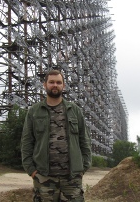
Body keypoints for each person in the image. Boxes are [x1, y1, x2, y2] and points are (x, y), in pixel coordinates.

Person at [21, 69, 92, 201]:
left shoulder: (74, 110)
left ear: (63, 86)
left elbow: (84, 140)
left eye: (58, 82)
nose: (55, 85)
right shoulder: (34, 112)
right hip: (43, 177)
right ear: (45, 84)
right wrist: (32, 171)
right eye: (51, 82)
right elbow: (26, 143)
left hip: (72, 179)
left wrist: (84, 167)